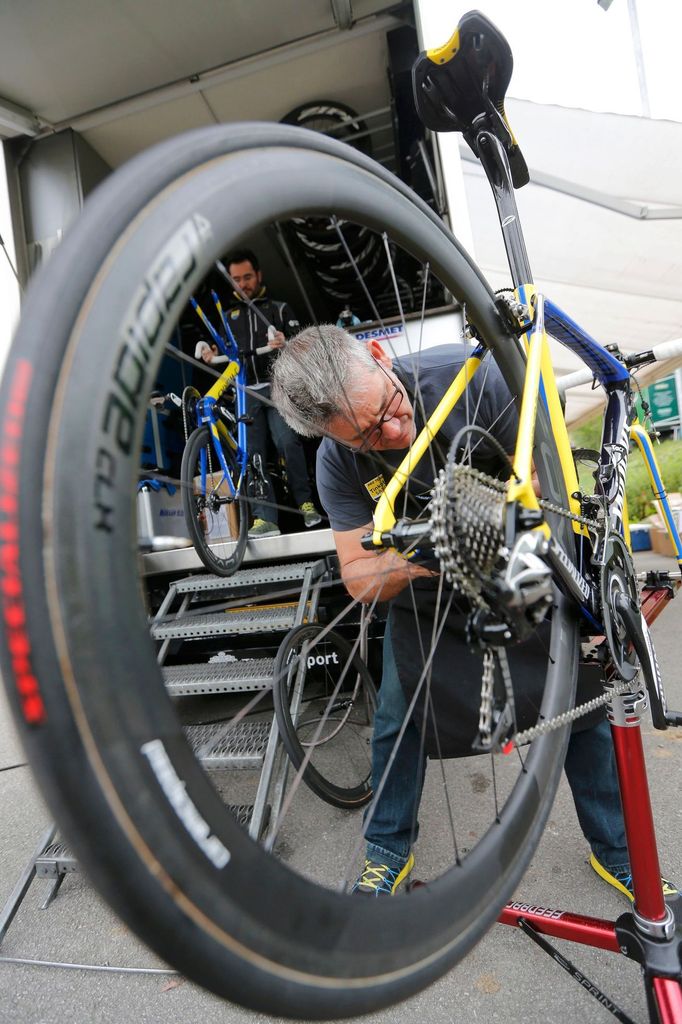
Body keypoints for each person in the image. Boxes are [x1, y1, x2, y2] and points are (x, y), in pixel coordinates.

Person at [271, 324, 678, 901]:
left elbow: (543, 485)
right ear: (329, 436)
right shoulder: (337, 464)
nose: (392, 430)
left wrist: (485, 522)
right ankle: (387, 851)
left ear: (382, 356)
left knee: (571, 694)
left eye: (388, 407)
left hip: (516, 550)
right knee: (398, 712)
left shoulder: (478, 378)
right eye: (365, 436)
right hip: (428, 585)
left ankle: (619, 852)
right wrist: (429, 553)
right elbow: (360, 579)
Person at [199, 249, 322, 537]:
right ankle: (264, 519)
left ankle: (305, 503)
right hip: (244, 393)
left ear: (259, 275)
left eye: (248, 277)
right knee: (251, 453)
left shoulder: (279, 309)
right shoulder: (227, 317)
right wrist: (209, 351)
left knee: (287, 442)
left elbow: (306, 346)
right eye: (236, 279)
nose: (243, 284)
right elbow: (218, 348)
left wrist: (285, 341)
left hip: (277, 388)